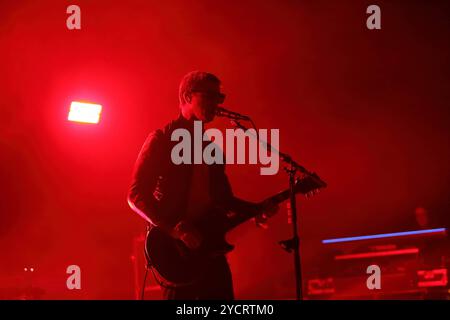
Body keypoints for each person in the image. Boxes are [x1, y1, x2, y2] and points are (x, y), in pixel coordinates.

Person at [127, 71, 278, 299]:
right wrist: (172, 230)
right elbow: (135, 195)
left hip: (209, 249)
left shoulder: (212, 150)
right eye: (209, 96)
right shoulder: (162, 140)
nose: (216, 103)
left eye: (219, 98)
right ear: (188, 96)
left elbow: (223, 199)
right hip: (175, 251)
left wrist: (256, 210)